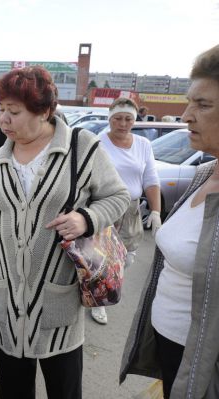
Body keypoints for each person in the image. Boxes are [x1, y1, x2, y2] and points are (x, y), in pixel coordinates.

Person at [0, 66, 130, 399]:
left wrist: (86, 218)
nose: (3, 120)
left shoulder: (81, 148)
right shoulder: (1, 158)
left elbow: (118, 197)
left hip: (57, 304)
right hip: (6, 304)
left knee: (64, 393)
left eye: (13, 111)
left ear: (45, 112)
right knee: (12, 391)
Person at [121, 44, 219, 399]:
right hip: (170, 346)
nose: (187, 115)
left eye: (203, 104)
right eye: (189, 102)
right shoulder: (203, 173)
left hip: (203, 366)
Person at [92, 97, 162, 325]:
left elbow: (151, 179)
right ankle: (100, 301)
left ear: (135, 120)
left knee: (127, 257)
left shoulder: (143, 145)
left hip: (131, 209)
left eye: (128, 119)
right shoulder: (97, 142)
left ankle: (104, 288)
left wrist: (156, 211)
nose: (123, 124)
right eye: (118, 118)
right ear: (110, 118)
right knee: (104, 258)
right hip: (105, 205)